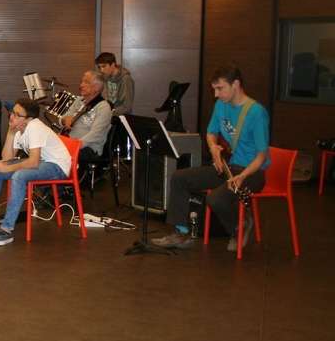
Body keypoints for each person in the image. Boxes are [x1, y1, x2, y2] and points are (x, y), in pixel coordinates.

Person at [153, 65, 269, 252]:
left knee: (215, 199)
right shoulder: (221, 105)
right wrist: (213, 147)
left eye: (220, 88)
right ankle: (181, 232)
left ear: (236, 84)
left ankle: (240, 226)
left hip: (253, 172)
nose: (215, 94)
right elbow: (210, 132)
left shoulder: (256, 113)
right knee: (180, 178)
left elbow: (262, 156)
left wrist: (242, 176)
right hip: (228, 166)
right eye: (214, 89)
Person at [0, 98, 71, 247]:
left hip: (57, 166)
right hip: (42, 163)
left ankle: (6, 229)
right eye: (12, 112)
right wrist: (10, 132)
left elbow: (33, 162)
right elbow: (7, 158)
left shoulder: (34, 127)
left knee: (19, 175)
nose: (12, 116)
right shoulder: (19, 129)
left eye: (17, 114)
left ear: (28, 119)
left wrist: (7, 168)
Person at [61, 70, 112, 166]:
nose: (81, 85)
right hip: (69, 142)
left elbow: (95, 135)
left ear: (96, 88)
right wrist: (65, 120)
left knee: (55, 153)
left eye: (86, 82)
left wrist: (73, 145)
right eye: (81, 81)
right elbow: (63, 118)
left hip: (89, 148)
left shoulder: (103, 107)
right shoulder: (79, 100)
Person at [94, 52, 133, 117]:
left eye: (104, 66)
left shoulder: (126, 79)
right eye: (99, 67)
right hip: (108, 114)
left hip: (121, 117)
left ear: (113, 64)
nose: (101, 70)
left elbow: (127, 106)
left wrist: (108, 113)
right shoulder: (105, 76)